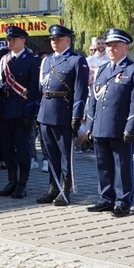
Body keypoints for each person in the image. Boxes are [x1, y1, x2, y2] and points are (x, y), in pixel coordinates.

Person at [84, 27, 134, 217]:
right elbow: (94, 100)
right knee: (103, 165)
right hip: (101, 126)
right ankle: (106, 199)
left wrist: (132, 127)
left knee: (122, 167)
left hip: (120, 127)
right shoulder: (102, 70)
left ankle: (123, 202)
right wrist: (90, 125)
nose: (111, 49)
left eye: (115, 45)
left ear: (126, 48)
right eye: (109, 45)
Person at [34, 24, 88, 206]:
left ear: (67, 40)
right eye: (52, 39)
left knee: (65, 155)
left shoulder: (76, 60)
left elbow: (81, 91)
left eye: (58, 39)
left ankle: (65, 190)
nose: (54, 42)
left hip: (63, 112)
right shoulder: (47, 61)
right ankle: (53, 187)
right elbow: (42, 88)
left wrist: (77, 115)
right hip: (46, 112)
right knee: (50, 155)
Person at [0, 25, 40, 198]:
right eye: (8, 39)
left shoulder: (33, 60)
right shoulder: (4, 60)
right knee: (7, 149)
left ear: (23, 40)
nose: (10, 42)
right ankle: (11, 181)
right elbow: (1, 84)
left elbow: (34, 90)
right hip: (5, 108)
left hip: (22, 110)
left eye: (13, 39)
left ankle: (22, 183)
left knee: (22, 149)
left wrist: (30, 113)